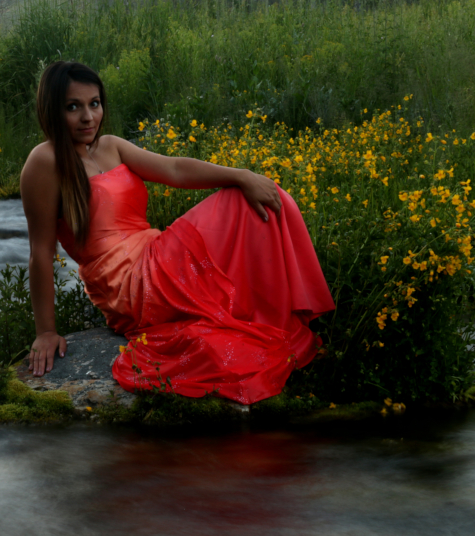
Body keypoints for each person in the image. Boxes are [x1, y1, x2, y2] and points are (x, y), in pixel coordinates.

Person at [20, 61, 335, 405]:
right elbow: (41, 252)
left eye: (94, 104)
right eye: (73, 107)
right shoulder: (44, 161)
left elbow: (173, 169)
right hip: (127, 284)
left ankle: (278, 314)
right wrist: (46, 331)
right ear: (52, 110)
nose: (88, 117)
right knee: (238, 202)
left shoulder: (109, 146)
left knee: (264, 197)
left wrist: (241, 174)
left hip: (154, 254)